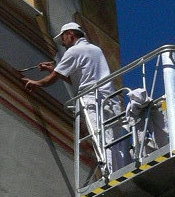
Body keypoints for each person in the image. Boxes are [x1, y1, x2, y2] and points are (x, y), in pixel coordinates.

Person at [22, 22, 130, 184]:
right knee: (114, 139)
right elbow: (78, 78)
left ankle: (110, 176)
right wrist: (54, 69)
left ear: (70, 34)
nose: (63, 44)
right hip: (110, 100)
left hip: (93, 100)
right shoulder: (95, 49)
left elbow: (53, 79)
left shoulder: (73, 51)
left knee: (100, 137)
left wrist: (37, 83)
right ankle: (121, 172)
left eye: (63, 39)